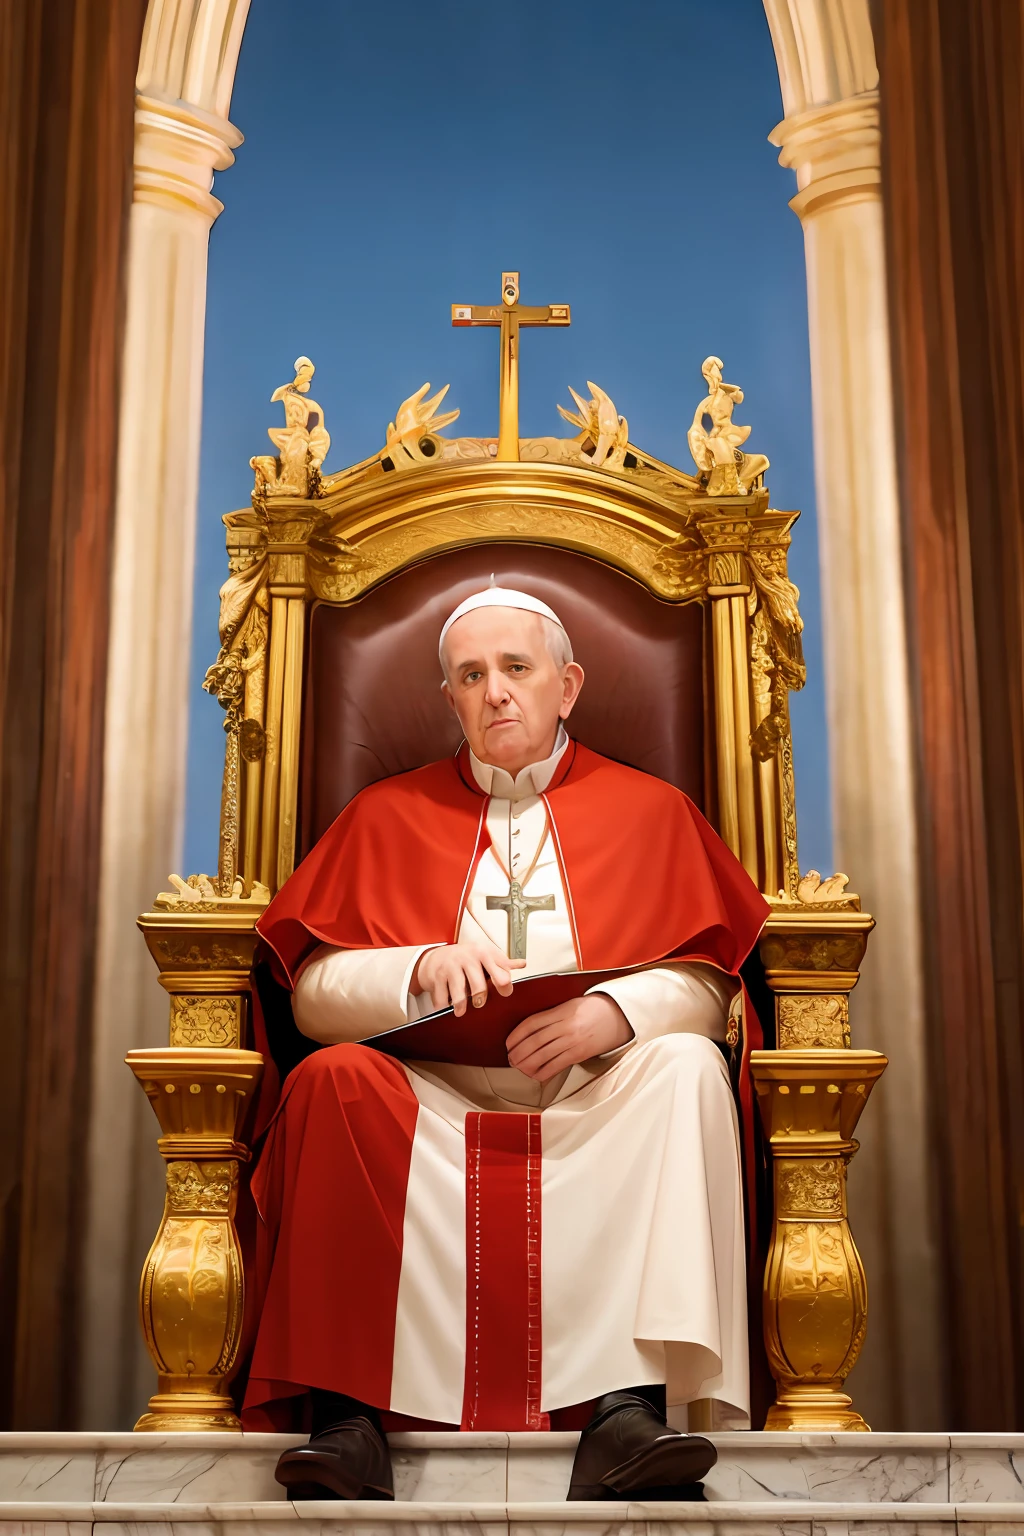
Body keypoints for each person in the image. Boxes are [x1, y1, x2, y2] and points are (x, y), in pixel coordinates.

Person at [243, 586, 768, 1502]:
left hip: (595, 1101)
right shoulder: (383, 817)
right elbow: (313, 995)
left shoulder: (652, 812)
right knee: (332, 1080)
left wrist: (614, 1015)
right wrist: (415, 969)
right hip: (428, 1106)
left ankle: (626, 1413)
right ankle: (349, 1422)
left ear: (567, 686)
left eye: (516, 670)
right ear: (448, 697)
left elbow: (712, 984)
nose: (495, 693)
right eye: (471, 676)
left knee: (685, 1064)